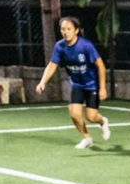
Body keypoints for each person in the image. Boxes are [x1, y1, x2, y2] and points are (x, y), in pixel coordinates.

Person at [35, 16, 111, 149]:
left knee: (91, 117)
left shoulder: (85, 46)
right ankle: (86, 138)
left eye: (69, 29)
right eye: (63, 29)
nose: (65, 32)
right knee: (74, 113)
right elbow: (52, 65)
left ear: (76, 30)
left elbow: (101, 66)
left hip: (92, 84)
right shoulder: (59, 47)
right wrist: (42, 82)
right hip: (77, 84)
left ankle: (103, 121)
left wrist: (103, 88)